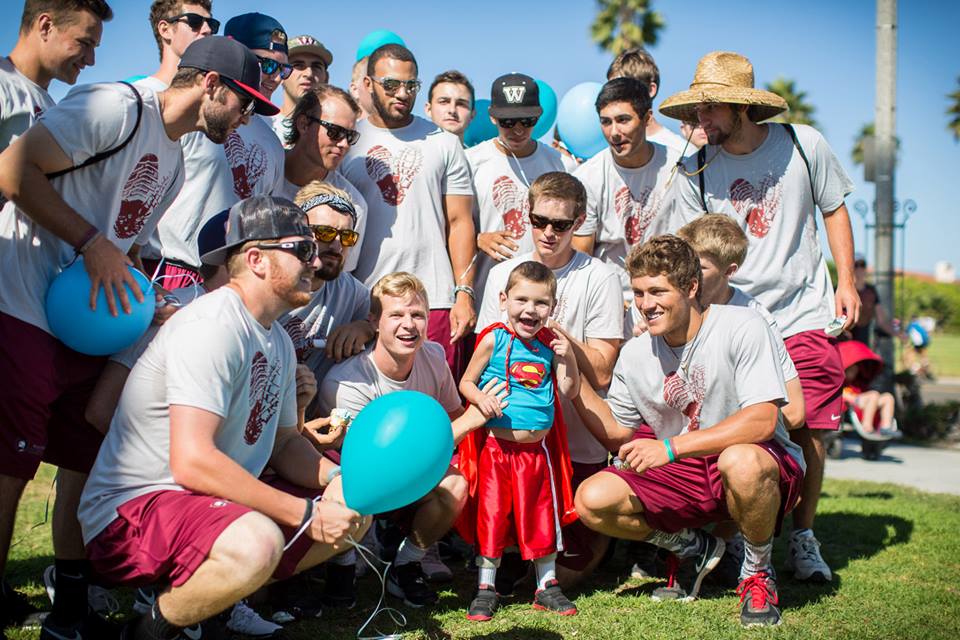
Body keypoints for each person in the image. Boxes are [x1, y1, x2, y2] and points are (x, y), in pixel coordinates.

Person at [0, 34, 271, 640]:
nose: (249, 117)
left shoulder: (175, 160)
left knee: (80, 457)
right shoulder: (117, 106)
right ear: (210, 84)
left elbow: (129, 244)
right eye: (245, 101)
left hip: (83, 323)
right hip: (19, 301)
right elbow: (13, 170)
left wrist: (152, 304)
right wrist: (90, 243)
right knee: (11, 463)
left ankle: (70, 609)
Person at [76, 196, 369, 640]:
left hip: (202, 503)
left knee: (355, 509)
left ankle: (202, 608)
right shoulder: (213, 324)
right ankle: (146, 632)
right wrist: (306, 514)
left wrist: (337, 478)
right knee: (257, 543)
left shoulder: (279, 342)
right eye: (302, 249)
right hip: (137, 508)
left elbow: (285, 443)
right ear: (255, 259)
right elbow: (191, 463)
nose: (316, 261)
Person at [660, 50, 861, 584]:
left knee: (811, 427)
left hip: (801, 312)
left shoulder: (803, 144)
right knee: (731, 429)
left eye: (708, 112)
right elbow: (685, 253)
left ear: (740, 108)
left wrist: (846, 280)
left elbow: (834, 208)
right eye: (696, 112)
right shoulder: (693, 169)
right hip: (731, 320)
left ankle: (803, 537)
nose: (699, 122)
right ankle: (734, 539)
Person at [574, 235, 805, 627]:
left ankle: (757, 573)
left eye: (658, 291)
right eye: (639, 293)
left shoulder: (742, 325)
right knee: (592, 499)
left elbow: (764, 420)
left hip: (755, 460)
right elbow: (617, 432)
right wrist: (573, 378)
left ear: (691, 287)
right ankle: (696, 548)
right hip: (685, 469)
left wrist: (671, 447)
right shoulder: (635, 353)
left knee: (741, 460)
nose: (646, 304)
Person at [0, 0, 113, 628]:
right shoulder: (2, 90)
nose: (91, 56)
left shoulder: (55, 104)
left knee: (42, 455)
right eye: (84, 40)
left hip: (56, 304)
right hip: (11, 296)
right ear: (44, 25)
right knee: (9, 461)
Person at [319, 273, 501, 608]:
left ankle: (406, 564)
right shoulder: (347, 382)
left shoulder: (432, 356)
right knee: (345, 489)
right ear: (374, 321)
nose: (409, 325)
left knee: (455, 486)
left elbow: (451, 416)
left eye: (417, 315)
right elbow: (376, 466)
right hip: (360, 480)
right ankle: (341, 569)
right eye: (396, 315)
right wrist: (474, 420)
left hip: (413, 480)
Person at [476, 172, 623, 586]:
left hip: (577, 439)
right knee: (508, 569)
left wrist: (556, 334)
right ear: (527, 216)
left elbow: (602, 369)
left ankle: (613, 541)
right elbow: (487, 358)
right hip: (515, 438)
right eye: (539, 221)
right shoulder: (504, 273)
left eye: (560, 224)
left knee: (569, 574)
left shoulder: (600, 276)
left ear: (578, 223)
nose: (548, 232)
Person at [341, 44, 477, 376]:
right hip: (365, 300)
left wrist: (464, 294)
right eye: (391, 84)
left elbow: (459, 222)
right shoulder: (347, 140)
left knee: (437, 404)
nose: (402, 93)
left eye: (411, 85)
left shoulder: (443, 142)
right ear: (369, 84)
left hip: (434, 299)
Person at [459, 261, 580, 621]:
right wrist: (480, 399)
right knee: (493, 514)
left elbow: (569, 390)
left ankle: (547, 584)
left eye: (541, 303)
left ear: (552, 307)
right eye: (522, 300)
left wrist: (568, 355)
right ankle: (485, 586)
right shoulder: (493, 338)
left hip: (536, 453)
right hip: (497, 449)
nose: (530, 310)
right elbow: (466, 382)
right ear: (503, 299)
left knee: (541, 515)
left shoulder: (549, 345)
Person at [141, 12, 288, 289]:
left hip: (234, 284)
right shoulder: (193, 115)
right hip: (165, 268)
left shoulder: (273, 143)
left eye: (282, 69)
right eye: (264, 64)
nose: (274, 77)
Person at [572, 77, 682, 296]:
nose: (614, 132)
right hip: (611, 298)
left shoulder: (678, 167)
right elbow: (580, 259)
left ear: (646, 119)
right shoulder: (587, 177)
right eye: (606, 122)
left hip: (669, 296)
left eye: (623, 120)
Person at [282, 182, 373, 425]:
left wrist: (365, 328)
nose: (336, 245)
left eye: (347, 236)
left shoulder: (354, 296)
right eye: (324, 232)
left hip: (307, 424)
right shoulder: (270, 285)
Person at [468, 72, 565, 297]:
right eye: (508, 122)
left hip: (541, 302)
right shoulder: (471, 161)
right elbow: (449, 225)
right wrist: (477, 238)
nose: (518, 130)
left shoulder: (558, 163)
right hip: (486, 297)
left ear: (538, 117)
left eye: (527, 121)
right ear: (492, 117)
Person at [280, 84, 368, 273]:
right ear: (303, 124)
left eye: (350, 136)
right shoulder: (262, 170)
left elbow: (339, 276)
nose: (344, 144)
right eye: (334, 132)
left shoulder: (352, 204)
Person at [607, 47, 688, 156]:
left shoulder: (681, 151)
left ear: (650, 90)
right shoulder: (605, 144)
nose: (614, 96)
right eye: (611, 88)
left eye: (622, 88)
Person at [138, 0, 216, 91]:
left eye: (211, 23)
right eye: (195, 21)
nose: (208, 29)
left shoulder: (213, 96)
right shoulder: (136, 97)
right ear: (165, 30)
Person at [272, 34, 332, 144]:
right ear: (281, 73)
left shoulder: (336, 131)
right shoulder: (265, 126)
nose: (308, 74)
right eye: (298, 65)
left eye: (316, 67)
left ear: (326, 78)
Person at [839, 340, 898, 438]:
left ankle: (886, 427)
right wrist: (853, 398)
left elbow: (863, 391)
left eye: (856, 370)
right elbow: (845, 397)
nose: (854, 373)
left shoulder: (857, 383)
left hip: (867, 403)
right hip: (856, 405)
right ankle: (867, 425)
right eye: (851, 370)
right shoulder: (842, 385)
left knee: (888, 397)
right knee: (874, 395)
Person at [424, 69, 475, 143]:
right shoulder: (410, 153)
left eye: (461, 104)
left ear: (472, 115)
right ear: (428, 109)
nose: (452, 110)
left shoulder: (481, 154)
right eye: (444, 102)